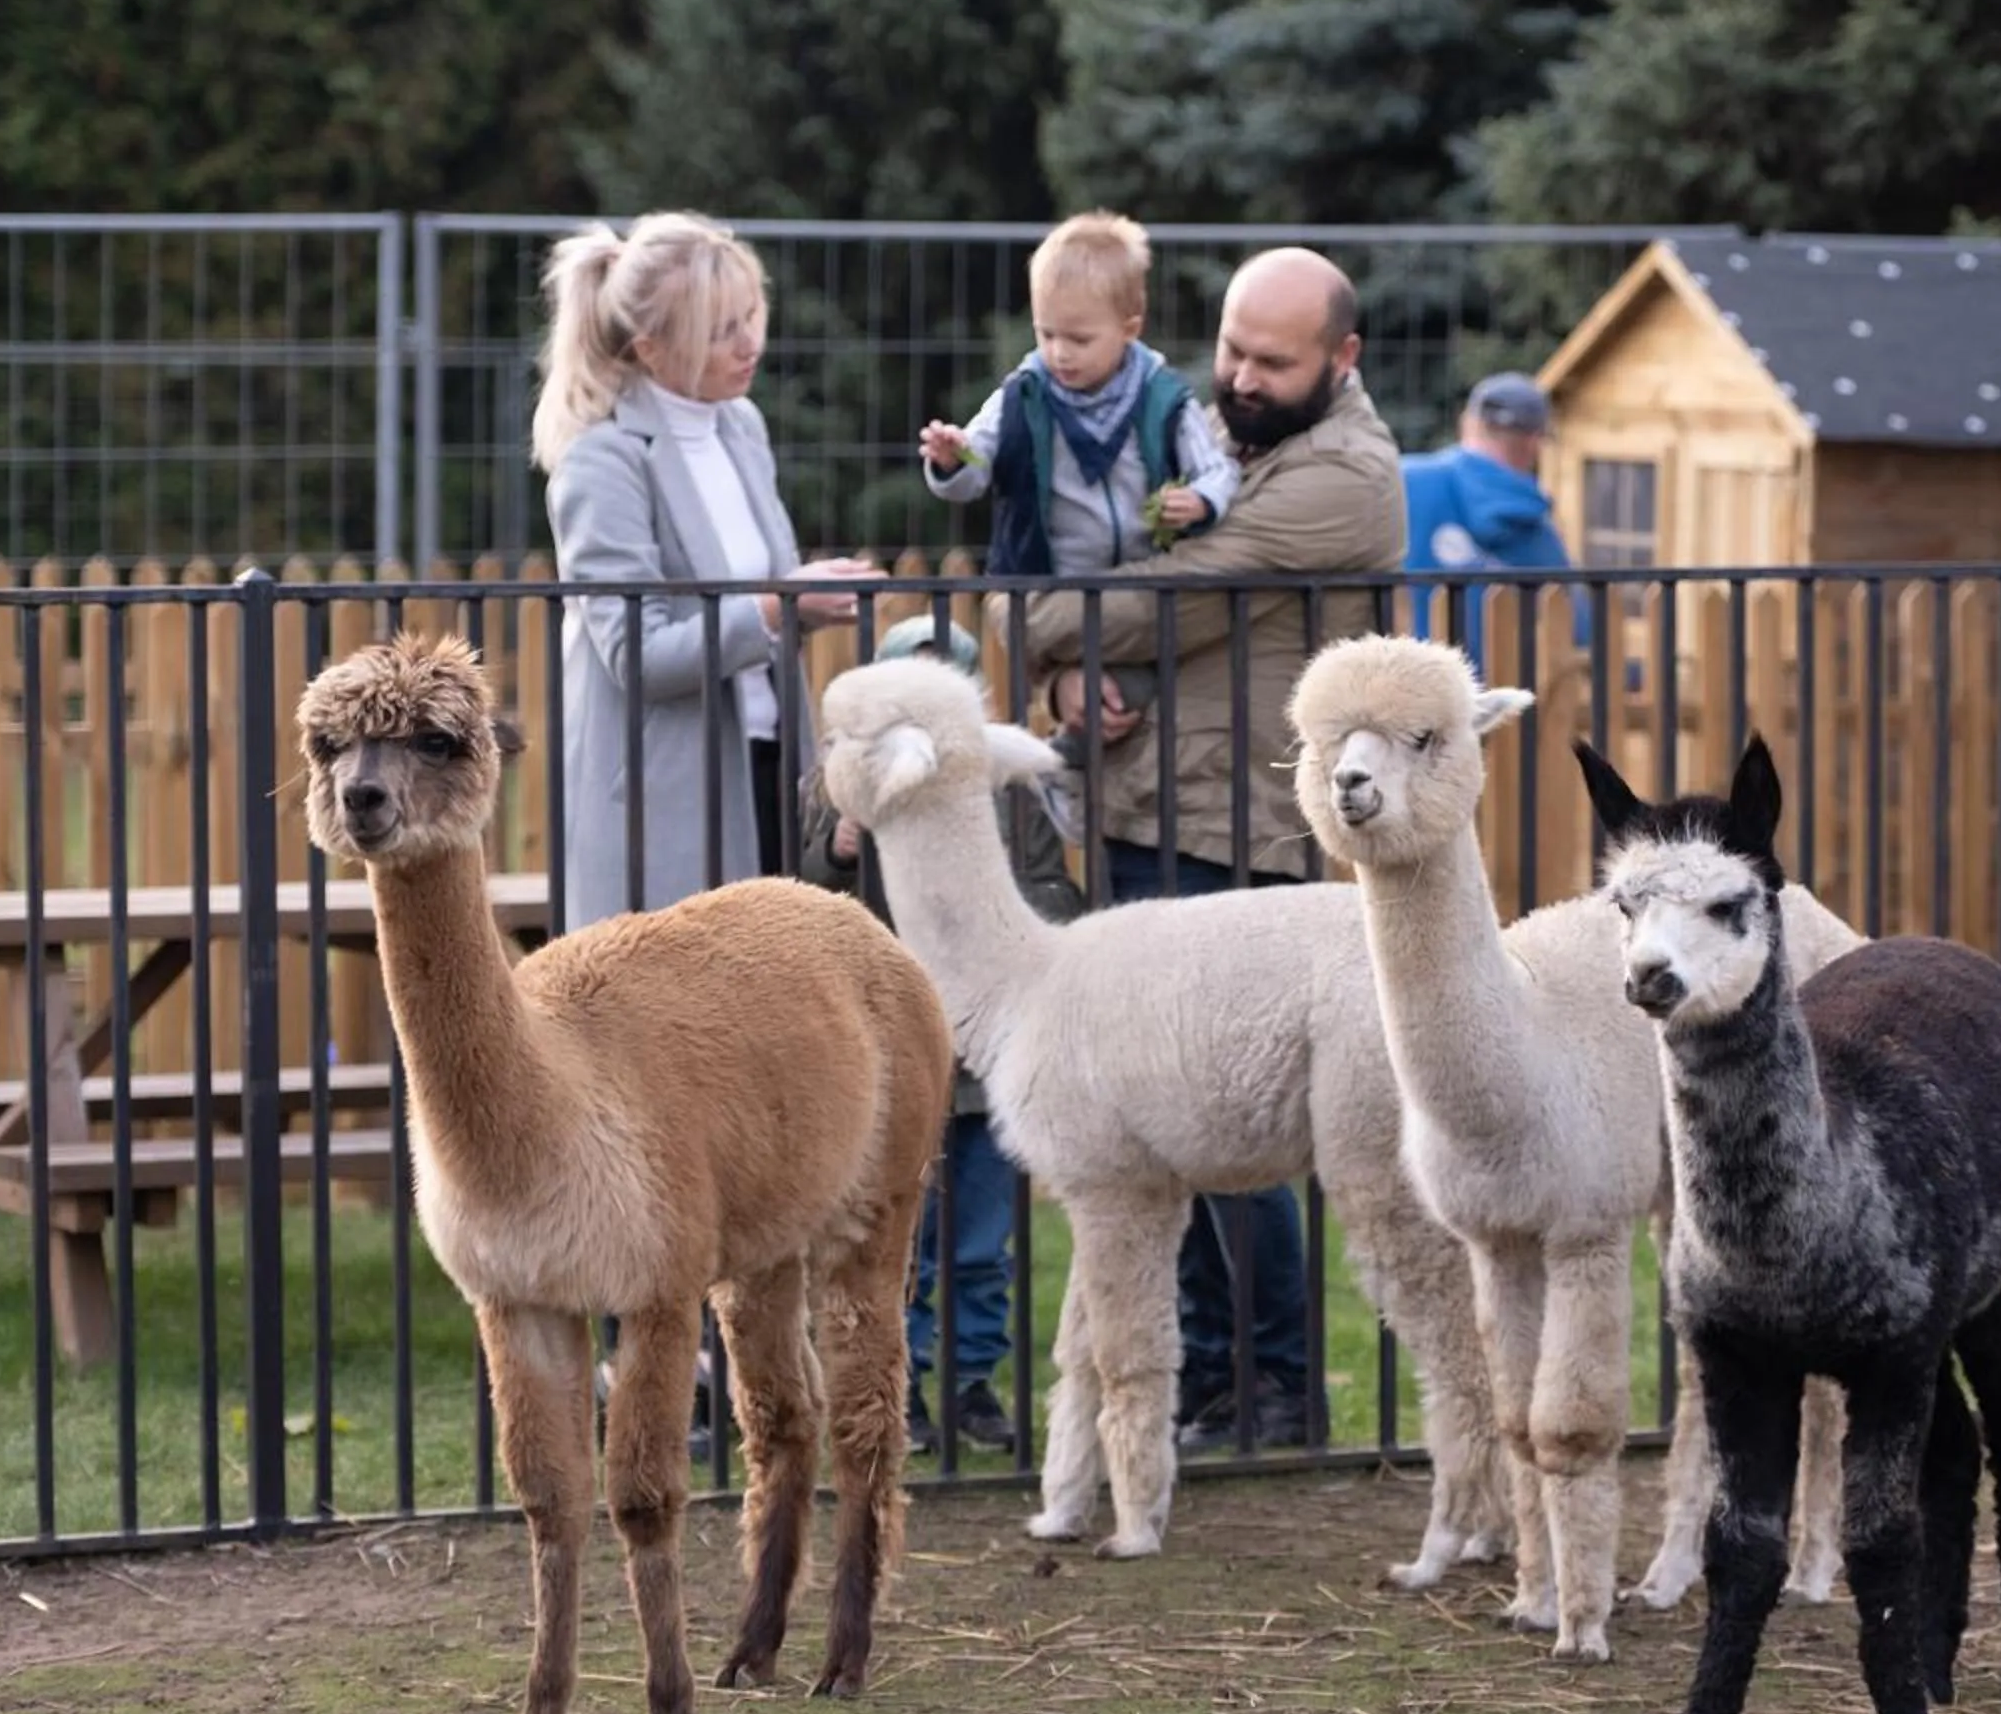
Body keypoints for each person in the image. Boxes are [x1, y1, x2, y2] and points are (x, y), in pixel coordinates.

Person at [1016, 246, 1407, 1454]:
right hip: (1148, 801)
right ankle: (1208, 1379)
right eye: (1232, 347)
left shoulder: (1341, 478)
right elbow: (1112, 579)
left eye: (1272, 360)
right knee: (1159, 1115)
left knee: (1236, 1122)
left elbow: (1158, 597)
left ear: (1341, 358)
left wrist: (1040, 624)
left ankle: (1276, 1381)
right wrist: (1068, 678)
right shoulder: (1211, 440)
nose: (1238, 376)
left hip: (1236, 822)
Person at [533, 209, 883, 936]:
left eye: (751, 316)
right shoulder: (603, 461)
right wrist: (777, 610)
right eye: (721, 330)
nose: (750, 343)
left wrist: (804, 601)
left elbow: (758, 600)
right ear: (651, 347)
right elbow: (637, 654)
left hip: (768, 769)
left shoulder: (740, 426)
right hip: (667, 807)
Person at [795, 611, 1083, 1457]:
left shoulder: (1002, 786)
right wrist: (841, 845)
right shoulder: (838, 782)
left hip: (983, 1051)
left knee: (982, 1241)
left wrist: (999, 920)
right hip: (889, 1048)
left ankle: (969, 1380)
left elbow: (1052, 890)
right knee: (892, 1231)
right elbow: (805, 889)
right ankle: (897, 1381)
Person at [921, 210, 1243, 836]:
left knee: (1125, 696)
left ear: (1130, 327)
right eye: (1046, 334)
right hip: (1050, 584)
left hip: (1138, 582)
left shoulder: (1165, 398)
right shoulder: (1023, 392)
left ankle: (1065, 766)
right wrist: (950, 459)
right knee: (1094, 689)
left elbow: (1218, 471)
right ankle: (1056, 775)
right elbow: (975, 469)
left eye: (1078, 338)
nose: (1059, 353)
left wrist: (1201, 502)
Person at [1399, 370, 1587, 675]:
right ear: (1535, 442)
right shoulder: (1538, 531)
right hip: (1508, 696)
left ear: (1468, 422)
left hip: (1406, 685)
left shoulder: (1402, 482)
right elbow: (1581, 631)